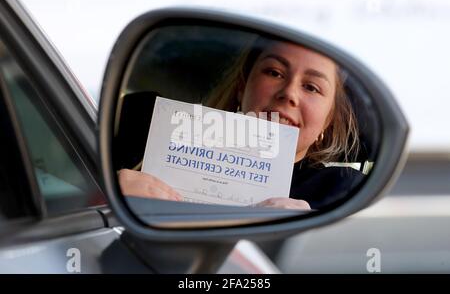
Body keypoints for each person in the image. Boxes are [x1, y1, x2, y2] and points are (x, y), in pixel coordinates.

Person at [119, 36, 365, 210]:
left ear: (328, 120)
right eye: (274, 72)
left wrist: (307, 229)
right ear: (241, 87)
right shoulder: (144, 143)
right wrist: (112, 193)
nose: (289, 93)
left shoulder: (344, 190)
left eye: (311, 87)